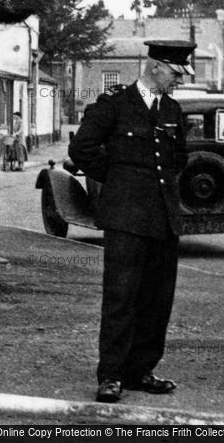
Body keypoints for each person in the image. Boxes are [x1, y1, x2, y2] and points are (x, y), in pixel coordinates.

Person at [69, 39, 196, 404]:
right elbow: (81, 150)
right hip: (125, 218)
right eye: (175, 72)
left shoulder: (172, 109)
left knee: (157, 299)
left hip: (163, 218)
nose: (178, 79)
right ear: (155, 66)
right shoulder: (115, 105)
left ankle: (140, 371)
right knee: (120, 297)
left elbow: (180, 157)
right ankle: (110, 375)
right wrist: (118, 180)